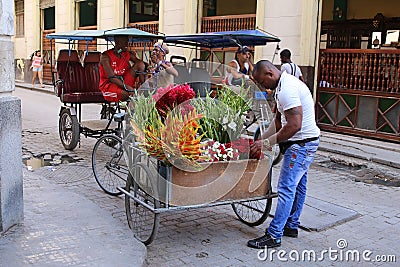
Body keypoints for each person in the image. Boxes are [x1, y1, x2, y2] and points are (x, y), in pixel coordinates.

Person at [247, 60, 320, 249]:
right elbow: (278, 122)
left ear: (270, 74)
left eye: (262, 82)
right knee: (298, 185)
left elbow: (294, 125)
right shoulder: (281, 88)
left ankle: (274, 234)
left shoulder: (287, 89)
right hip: (304, 143)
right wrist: (261, 139)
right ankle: (291, 225)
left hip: (301, 145)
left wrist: (267, 143)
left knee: (287, 187)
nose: (262, 87)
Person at [99, 35, 146, 102]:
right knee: (128, 94)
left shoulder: (127, 53)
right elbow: (112, 78)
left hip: (124, 81)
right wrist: (128, 88)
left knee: (140, 64)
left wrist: (150, 65)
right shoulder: (105, 56)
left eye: (127, 41)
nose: (127, 44)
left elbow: (139, 63)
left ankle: (144, 89)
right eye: (124, 42)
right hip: (109, 85)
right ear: (117, 42)